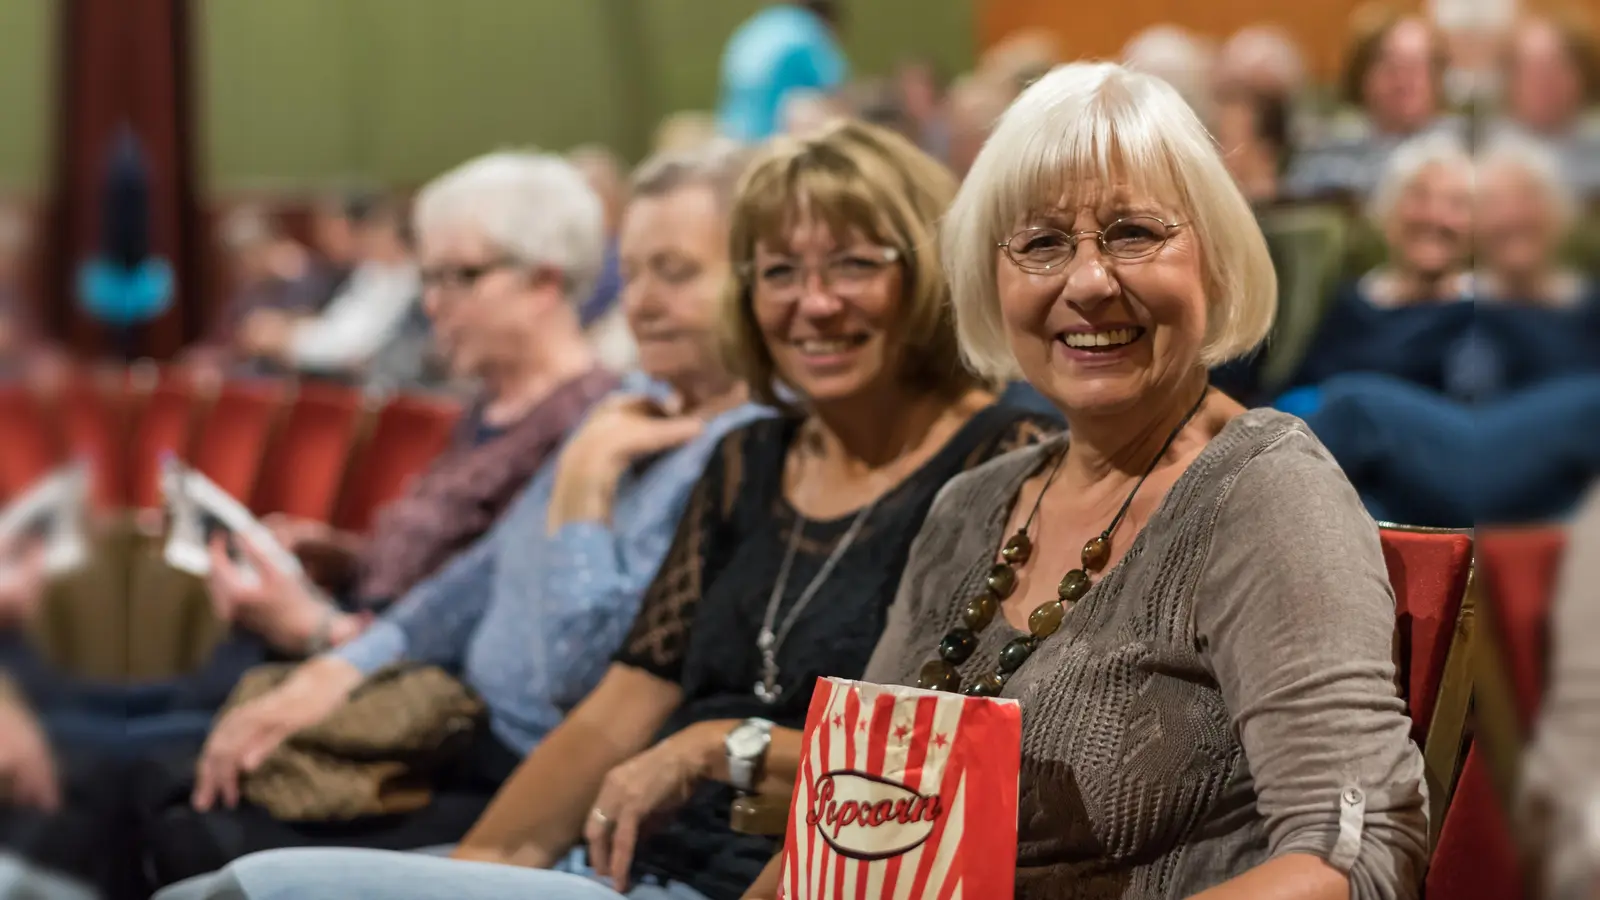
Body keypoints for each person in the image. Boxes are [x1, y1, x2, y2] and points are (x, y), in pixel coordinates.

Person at [156, 119, 1056, 900]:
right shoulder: (749, 458)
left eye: (854, 265)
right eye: (780, 271)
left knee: (244, 889)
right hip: (615, 862)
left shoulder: (1000, 461)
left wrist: (719, 746)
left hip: (751, 880)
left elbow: (931, 769)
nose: (813, 303)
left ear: (928, 270)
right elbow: (616, 708)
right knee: (218, 879)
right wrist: (478, 873)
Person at [751, 60, 1429, 899]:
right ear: (992, 282)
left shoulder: (1264, 492)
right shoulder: (969, 506)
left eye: (1133, 233)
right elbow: (849, 812)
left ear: (1215, 261)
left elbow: (1356, 851)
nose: (1089, 282)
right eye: (1041, 244)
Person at [141, 144, 773, 890]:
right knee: (176, 799)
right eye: (630, 273)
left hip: (520, 767)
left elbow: (579, 674)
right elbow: (469, 580)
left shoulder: (739, 450)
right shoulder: (633, 408)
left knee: (199, 836)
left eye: (676, 273)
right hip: (453, 732)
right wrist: (336, 669)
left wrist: (581, 488)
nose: (639, 304)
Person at [1284, 132, 1474, 398]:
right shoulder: (1350, 304)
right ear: (1388, 212)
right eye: (1419, 197)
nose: (1435, 216)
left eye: (1456, 204)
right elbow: (1299, 387)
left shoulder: (1481, 315)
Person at [237, 196, 421, 378]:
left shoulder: (407, 283)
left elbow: (353, 347)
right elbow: (339, 324)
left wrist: (288, 338)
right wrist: (288, 331)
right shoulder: (373, 272)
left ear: (398, 240)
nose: (370, 242)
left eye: (377, 234)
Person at [1285, 10, 1458, 200]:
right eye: (1391, 65)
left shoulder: (1464, 151)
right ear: (1362, 74)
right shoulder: (1326, 152)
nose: (1404, 80)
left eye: (1418, 66)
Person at [716, 1, 848, 144]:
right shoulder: (810, 31)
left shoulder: (763, 22)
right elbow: (835, 91)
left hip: (735, 129)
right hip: (775, 134)